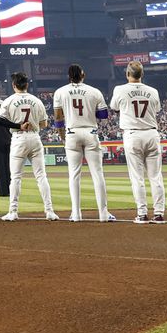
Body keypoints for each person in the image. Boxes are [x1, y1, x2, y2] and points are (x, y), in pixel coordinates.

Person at [53, 64, 115, 222]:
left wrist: (62, 136)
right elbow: (103, 115)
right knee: (97, 174)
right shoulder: (94, 91)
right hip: (90, 132)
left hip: (72, 132)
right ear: (83, 75)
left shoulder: (60, 92)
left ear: (69, 76)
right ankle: (103, 214)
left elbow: (58, 118)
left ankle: (76, 214)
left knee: (74, 175)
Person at [0, 73, 59, 221]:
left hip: (19, 138)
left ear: (14, 85)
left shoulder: (9, 100)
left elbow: (1, 121)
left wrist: (18, 125)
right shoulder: (36, 100)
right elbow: (44, 124)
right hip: (35, 137)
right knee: (41, 176)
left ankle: (13, 211)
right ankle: (49, 211)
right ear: (27, 85)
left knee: (16, 177)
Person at [110, 60, 165, 224]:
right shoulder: (153, 91)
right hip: (151, 133)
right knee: (155, 177)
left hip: (132, 135)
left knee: (137, 177)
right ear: (142, 74)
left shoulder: (119, 89)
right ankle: (159, 213)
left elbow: (114, 107)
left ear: (127, 74)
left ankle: (142, 213)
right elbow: (157, 109)